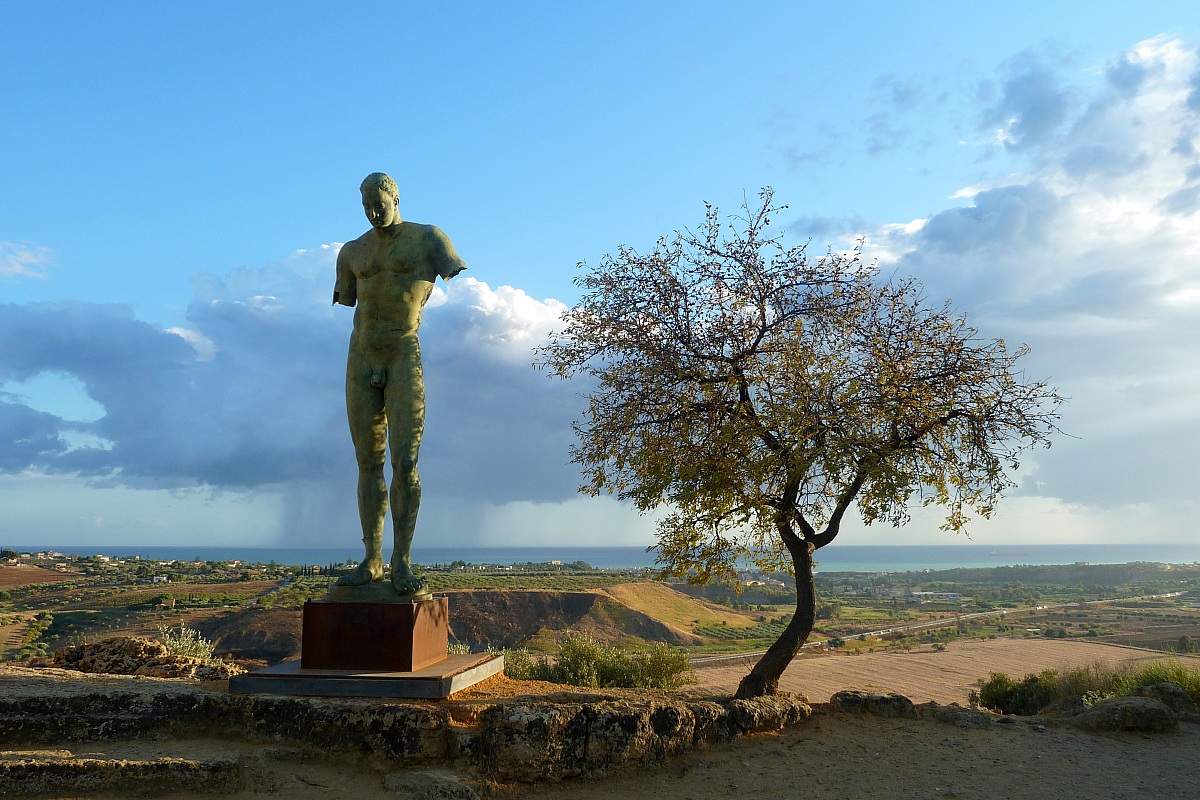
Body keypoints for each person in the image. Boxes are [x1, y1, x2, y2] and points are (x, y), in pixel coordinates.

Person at [332, 172, 466, 596]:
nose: (373, 212)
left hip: (403, 351)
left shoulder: (428, 239)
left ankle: (401, 561)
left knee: (405, 461)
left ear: (396, 197)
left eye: (380, 203)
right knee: (366, 461)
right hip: (361, 355)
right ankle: (371, 560)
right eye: (366, 205)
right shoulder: (352, 252)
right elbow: (349, 300)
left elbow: (450, 269)